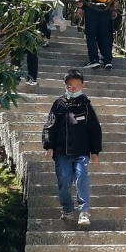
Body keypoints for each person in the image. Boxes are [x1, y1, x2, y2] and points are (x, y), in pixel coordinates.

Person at [42, 68, 102, 227]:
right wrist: (48, 146)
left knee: (82, 176)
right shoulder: (58, 104)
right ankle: (67, 208)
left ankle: (84, 211)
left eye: (77, 86)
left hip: (81, 151)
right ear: (65, 85)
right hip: (61, 152)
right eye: (70, 86)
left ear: (82, 86)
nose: (73, 89)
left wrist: (95, 151)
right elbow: (49, 126)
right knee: (64, 179)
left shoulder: (86, 106)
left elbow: (94, 129)